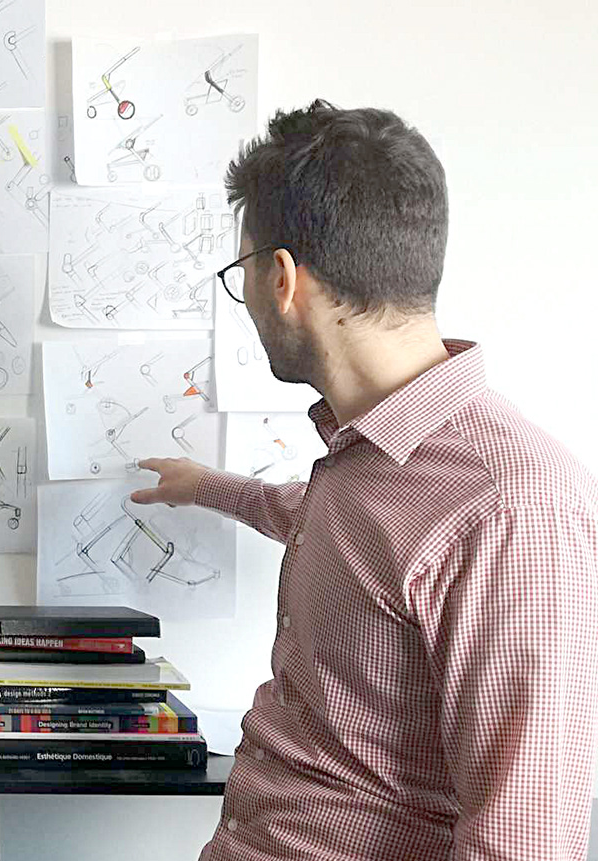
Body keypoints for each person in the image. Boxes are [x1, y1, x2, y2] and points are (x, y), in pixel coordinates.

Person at [131, 101, 598, 859]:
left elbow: (525, 837)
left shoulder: (513, 507)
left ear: (282, 279)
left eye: (241, 274)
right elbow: (330, 527)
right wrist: (204, 485)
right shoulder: (369, 458)